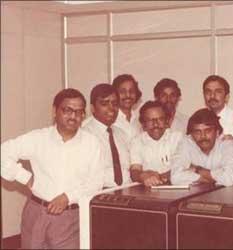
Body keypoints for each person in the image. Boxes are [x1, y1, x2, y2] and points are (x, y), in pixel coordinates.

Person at [1, 88, 103, 249]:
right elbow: (3, 152)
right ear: (55, 111)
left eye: (79, 112)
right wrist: (24, 177)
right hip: (36, 213)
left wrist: (67, 197)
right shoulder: (38, 138)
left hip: (71, 217)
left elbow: (96, 182)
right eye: (67, 110)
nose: (73, 116)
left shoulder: (92, 143)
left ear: (84, 115)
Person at [170, 108, 233, 187]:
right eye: (197, 132)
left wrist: (197, 169)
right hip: (195, 196)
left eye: (208, 131)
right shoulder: (186, 143)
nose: (203, 136)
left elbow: (229, 179)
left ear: (217, 132)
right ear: (191, 135)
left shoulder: (227, 143)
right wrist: (214, 177)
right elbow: (175, 177)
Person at [83, 84, 131, 188]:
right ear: (92, 108)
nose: (111, 108)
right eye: (104, 103)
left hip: (127, 192)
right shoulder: (84, 135)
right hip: (99, 194)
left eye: (114, 103)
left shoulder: (122, 134)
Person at [129, 101, 183, 187]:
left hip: (176, 188)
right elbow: (135, 170)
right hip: (148, 192)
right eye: (150, 120)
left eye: (160, 119)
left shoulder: (177, 138)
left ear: (166, 121)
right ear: (143, 124)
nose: (156, 124)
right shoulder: (137, 142)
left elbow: (182, 167)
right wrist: (142, 176)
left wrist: (158, 177)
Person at [203, 75, 233, 139]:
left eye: (218, 92)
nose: (212, 96)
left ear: (227, 97)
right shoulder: (198, 120)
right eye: (208, 92)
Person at [112, 74, 143, 141]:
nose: (128, 95)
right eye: (122, 92)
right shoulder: (110, 120)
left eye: (131, 91)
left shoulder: (139, 121)